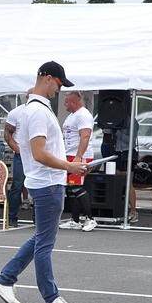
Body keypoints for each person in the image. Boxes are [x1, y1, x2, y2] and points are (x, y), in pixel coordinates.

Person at [0, 61, 88, 303]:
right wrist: (69, 166)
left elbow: (39, 152)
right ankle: (51, 297)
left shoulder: (35, 109)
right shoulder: (37, 112)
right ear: (46, 78)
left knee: (41, 238)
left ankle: (6, 278)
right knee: (45, 241)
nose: (59, 90)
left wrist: (67, 166)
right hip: (47, 182)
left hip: (47, 181)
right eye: (58, 84)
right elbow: (39, 153)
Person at [59, 90, 97, 231]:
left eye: (66, 101)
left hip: (79, 155)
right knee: (71, 187)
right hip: (70, 154)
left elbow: (85, 136)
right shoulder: (72, 115)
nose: (64, 104)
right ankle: (75, 220)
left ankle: (90, 219)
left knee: (76, 186)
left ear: (74, 102)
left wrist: (79, 156)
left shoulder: (83, 115)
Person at [3, 91, 31, 228]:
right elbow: (7, 134)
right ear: (26, 97)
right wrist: (17, 149)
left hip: (37, 154)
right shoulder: (16, 112)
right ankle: (12, 217)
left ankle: (38, 219)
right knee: (17, 185)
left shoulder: (44, 111)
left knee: (38, 185)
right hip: (21, 154)